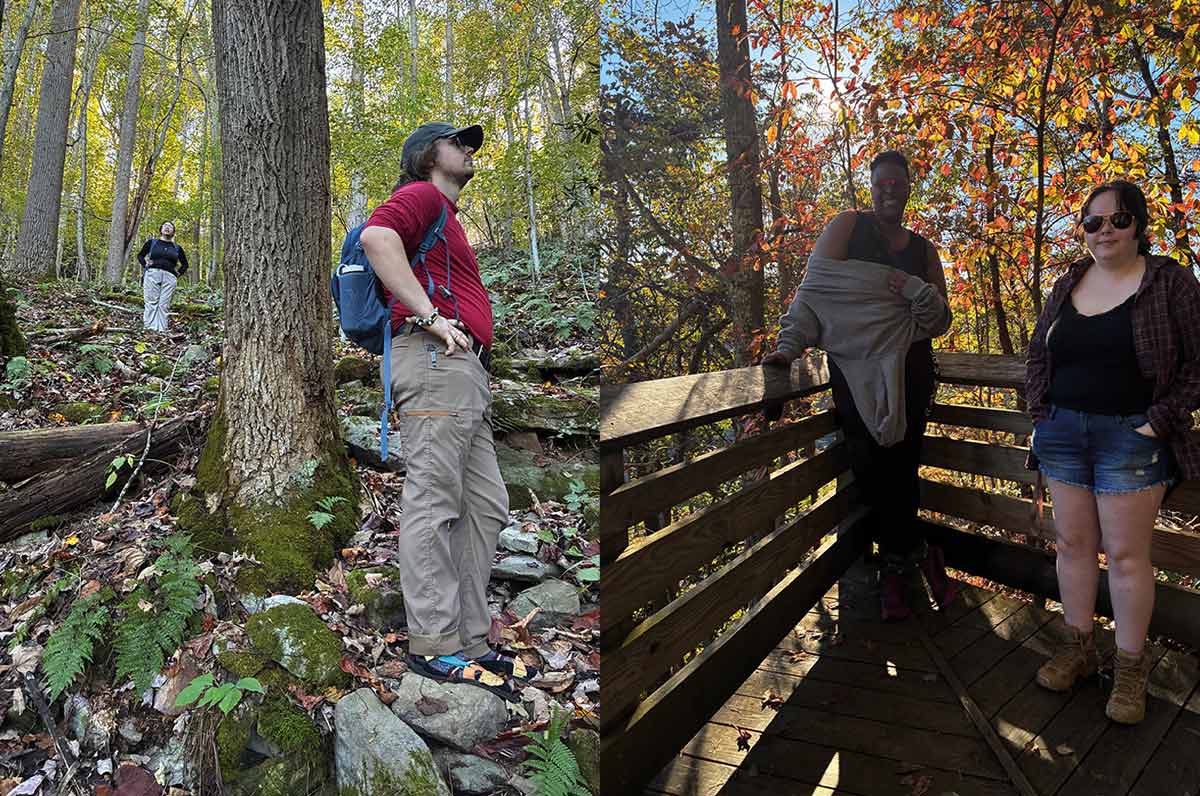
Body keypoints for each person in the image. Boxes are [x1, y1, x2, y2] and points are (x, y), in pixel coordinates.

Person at [359, 122, 534, 698]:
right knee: (434, 500)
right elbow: (377, 239)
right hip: (433, 360)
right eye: (458, 141)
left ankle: (471, 639)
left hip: (464, 374)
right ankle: (433, 646)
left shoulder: (448, 218)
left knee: (484, 506)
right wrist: (431, 316)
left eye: (471, 143)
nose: (469, 148)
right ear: (426, 155)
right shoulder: (423, 196)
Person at [1026, 179, 1200, 724]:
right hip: (1063, 435)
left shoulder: (1169, 283)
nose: (1105, 231)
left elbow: (1199, 363)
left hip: (1131, 438)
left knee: (1126, 557)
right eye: (1093, 222)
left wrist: (1157, 421)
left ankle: (1129, 668)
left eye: (1118, 219)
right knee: (1072, 545)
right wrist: (1042, 412)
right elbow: (1037, 354)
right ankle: (1079, 646)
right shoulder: (1068, 282)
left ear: (1139, 226)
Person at [763, 150, 956, 621]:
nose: (889, 189)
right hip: (854, 373)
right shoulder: (848, 227)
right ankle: (917, 557)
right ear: (871, 188)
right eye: (881, 183)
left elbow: (940, 319)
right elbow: (813, 297)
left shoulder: (923, 250)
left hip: (910, 371)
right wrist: (788, 349)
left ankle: (896, 570)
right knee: (870, 468)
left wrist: (907, 287)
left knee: (902, 468)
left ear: (909, 187)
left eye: (898, 182)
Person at [137, 221, 189, 332]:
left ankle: (161, 330)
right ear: (161, 229)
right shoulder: (152, 243)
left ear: (173, 232)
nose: (167, 227)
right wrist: (145, 264)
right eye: (165, 226)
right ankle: (149, 329)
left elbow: (185, 264)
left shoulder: (177, 248)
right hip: (152, 274)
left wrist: (177, 274)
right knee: (151, 302)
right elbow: (140, 255)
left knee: (163, 304)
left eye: (170, 226)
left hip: (169, 278)